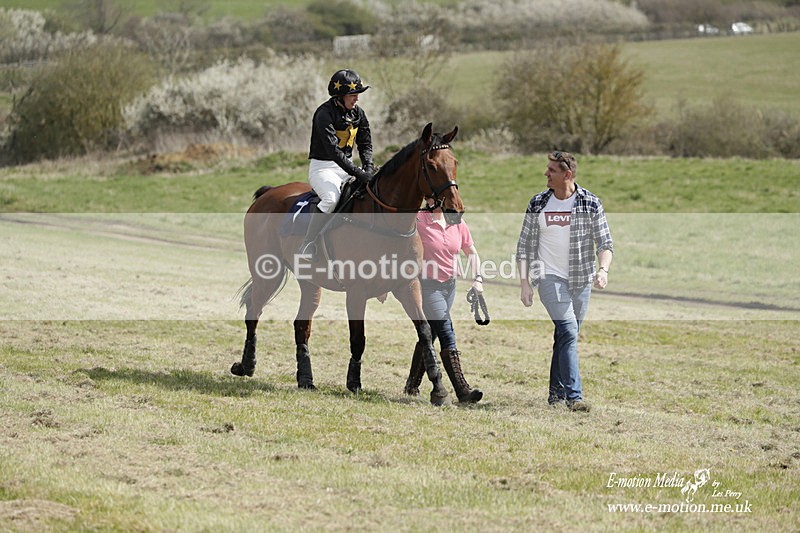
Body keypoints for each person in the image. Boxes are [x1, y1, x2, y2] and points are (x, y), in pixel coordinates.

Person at [515, 151, 614, 412]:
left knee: (565, 336)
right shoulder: (538, 203)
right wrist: (525, 283)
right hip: (549, 277)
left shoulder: (590, 203)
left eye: (552, 170)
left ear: (567, 175)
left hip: (581, 280)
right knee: (569, 332)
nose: (546, 173)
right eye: (547, 169)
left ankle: (555, 396)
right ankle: (574, 396)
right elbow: (524, 247)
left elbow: (604, 242)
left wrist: (603, 269)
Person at [403, 199, 484, 403]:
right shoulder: (419, 219)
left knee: (431, 334)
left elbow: (471, 252)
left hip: (450, 285)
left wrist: (478, 279)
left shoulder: (455, 222)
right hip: (427, 286)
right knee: (447, 331)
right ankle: (462, 390)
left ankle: (412, 385)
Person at [299, 69, 376, 258]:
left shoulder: (359, 114)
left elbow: (365, 143)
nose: (356, 98)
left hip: (346, 167)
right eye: (353, 95)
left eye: (357, 94)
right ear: (340, 96)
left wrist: (368, 167)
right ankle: (308, 243)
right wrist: (358, 173)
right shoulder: (324, 114)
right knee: (331, 199)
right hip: (323, 167)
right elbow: (333, 152)